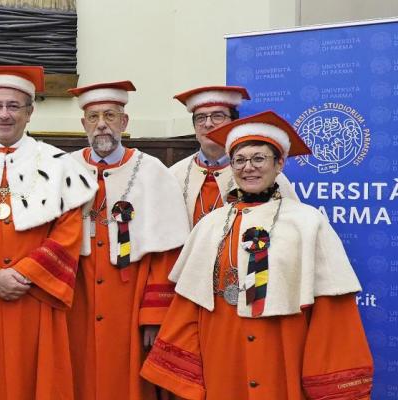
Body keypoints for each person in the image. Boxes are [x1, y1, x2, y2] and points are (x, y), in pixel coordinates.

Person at [141, 111, 373, 400]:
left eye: (259, 159)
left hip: (283, 354)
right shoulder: (209, 225)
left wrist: (326, 379)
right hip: (223, 358)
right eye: (240, 160)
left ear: (279, 164)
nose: (248, 168)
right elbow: (188, 309)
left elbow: (332, 315)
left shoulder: (308, 223)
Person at [0, 65, 96, 399]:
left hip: (36, 296)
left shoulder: (59, 164)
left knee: (41, 381)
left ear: (30, 112)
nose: (4, 115)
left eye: (14, 106)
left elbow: (69, 229)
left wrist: (25, 274)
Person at [66, 81, 190, 400]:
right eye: (93, 117)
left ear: (124, 122)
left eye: (110, 115)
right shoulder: (63, 170)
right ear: (84, 125)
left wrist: (154, 315)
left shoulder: (152, 172)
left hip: (130, 297)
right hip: (77, 296)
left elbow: (167, 251)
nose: (102, 124)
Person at [169, 86, 297, 227]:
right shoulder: (174, 174)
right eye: (200, 118)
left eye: (217, 116)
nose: (208, 124)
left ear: (233, 123)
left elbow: (291, 226)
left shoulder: (264, 174)